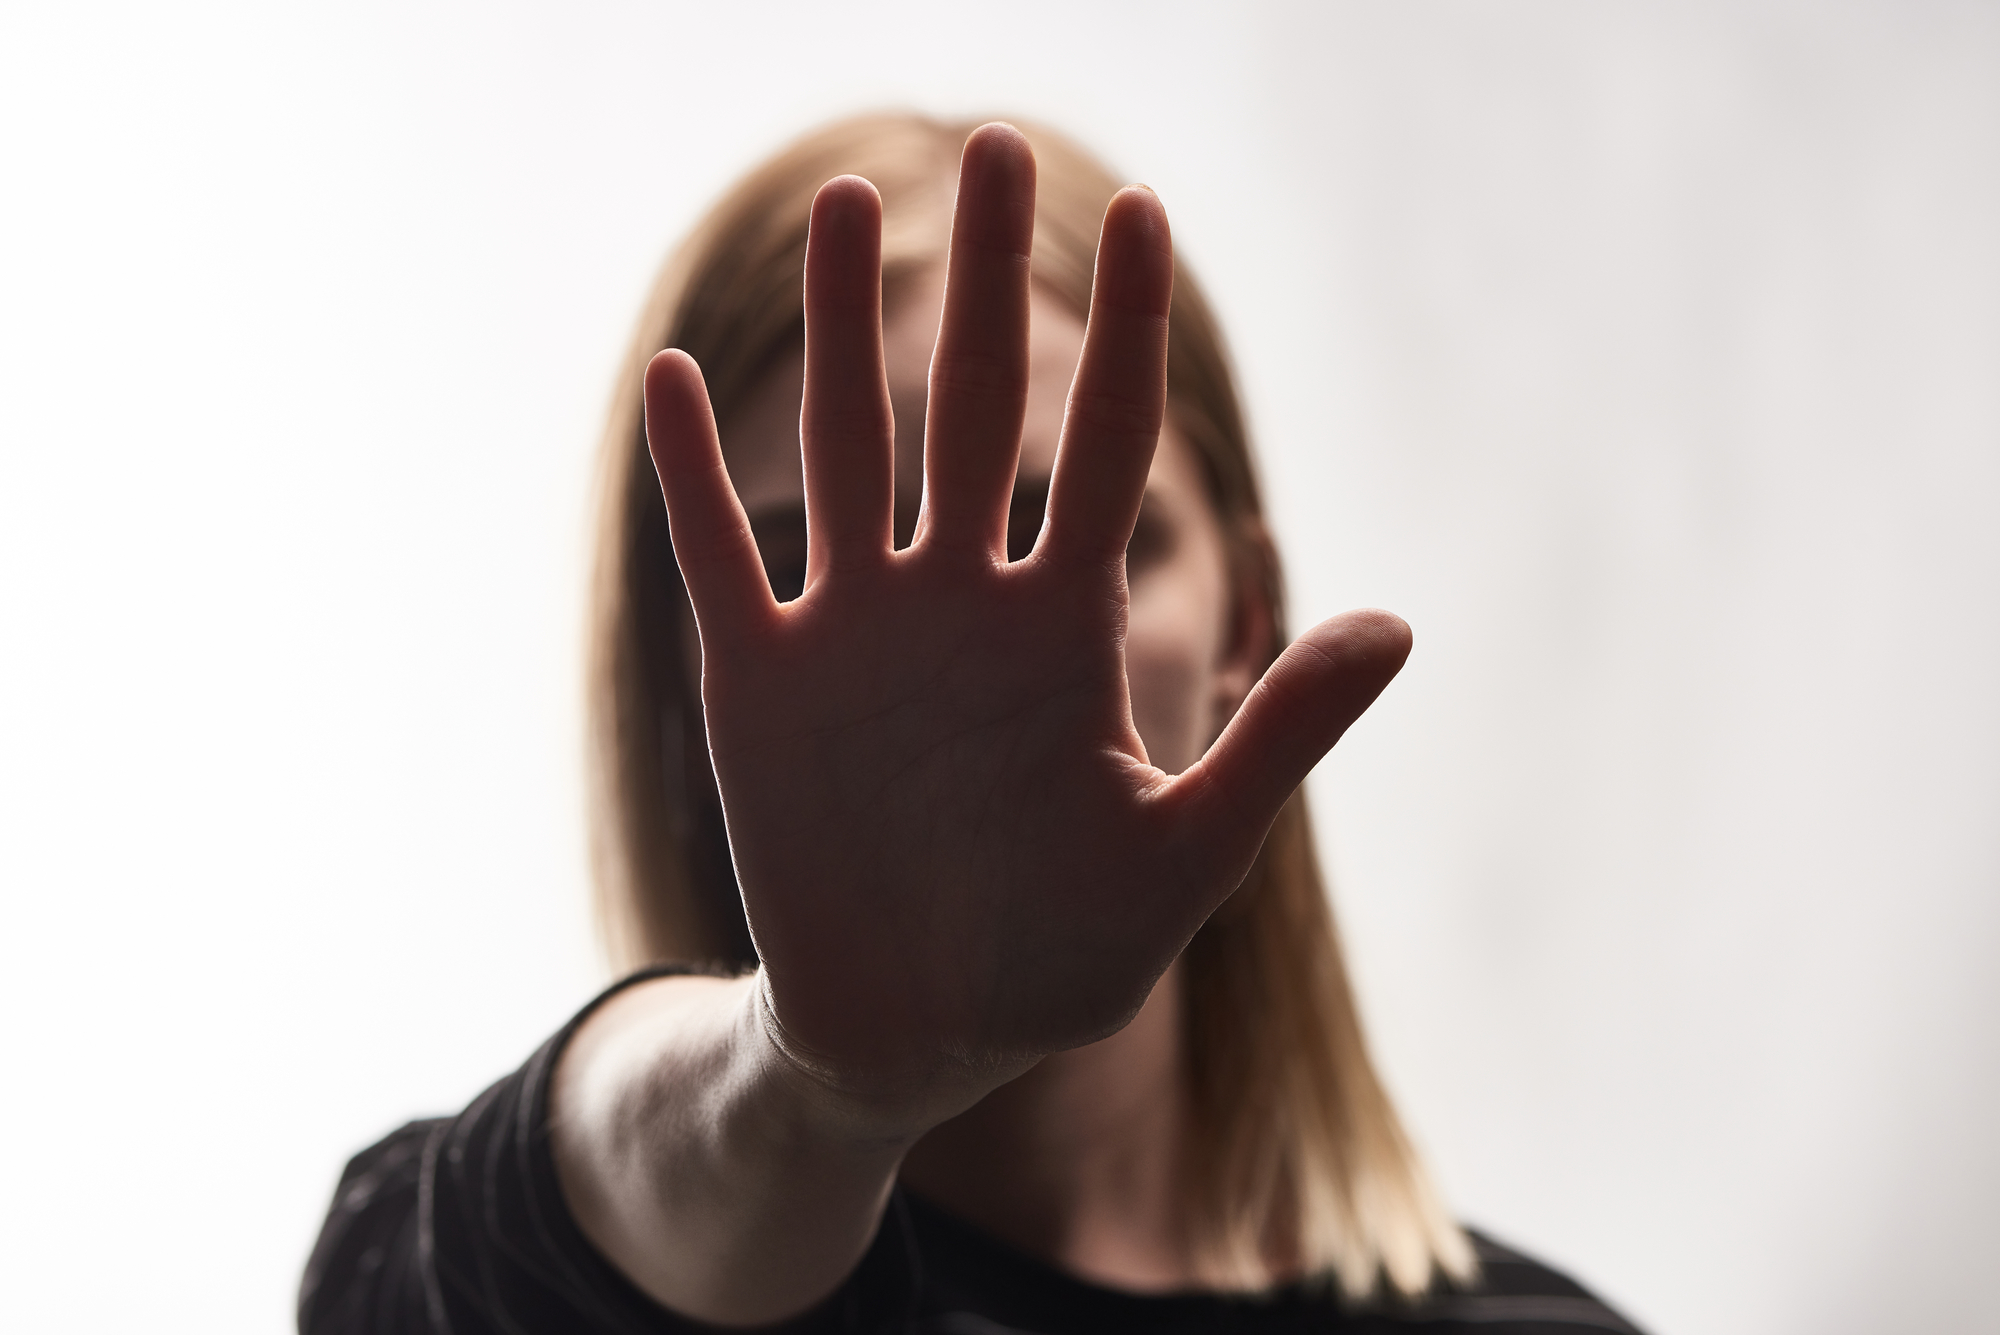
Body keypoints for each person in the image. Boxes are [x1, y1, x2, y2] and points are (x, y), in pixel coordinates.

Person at [301, 114, 1641, 1334]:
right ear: (678, 675)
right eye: (801, 558)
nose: (957, 653)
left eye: (1067, 527)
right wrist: (818, 1081)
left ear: (1244, 626)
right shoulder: (478, 1284)